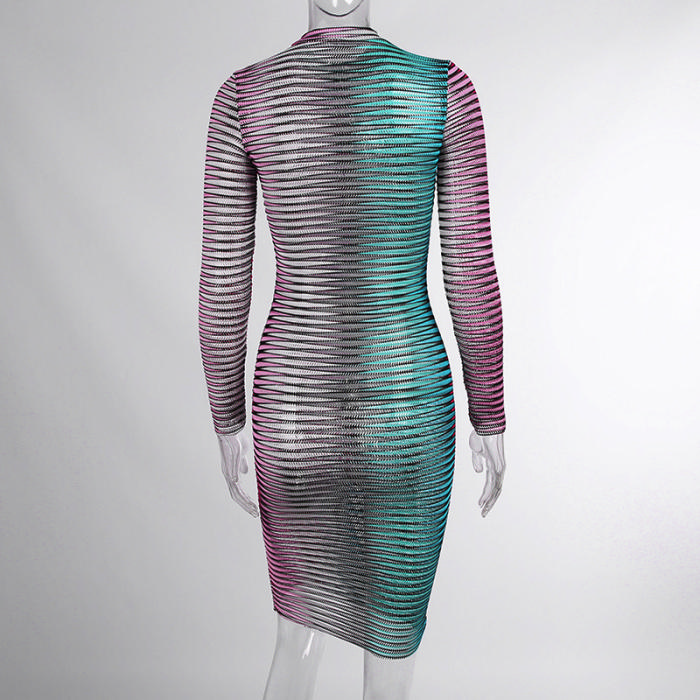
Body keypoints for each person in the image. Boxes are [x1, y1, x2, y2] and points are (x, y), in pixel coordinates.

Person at [198, 1, 507, 697]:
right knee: (392, 647)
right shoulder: (441, 91)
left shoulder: (245, 97)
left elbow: (223, 279)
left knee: (296, 641)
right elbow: (470, 270)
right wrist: (488, 414)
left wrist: (228, 418)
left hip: (292, 412)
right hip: (406, 408)